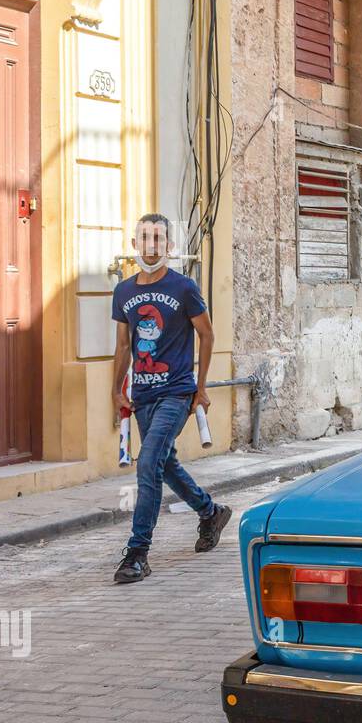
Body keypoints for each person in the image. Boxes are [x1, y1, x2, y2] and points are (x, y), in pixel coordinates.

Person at [110, 214, 231, 584]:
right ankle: (210, 512)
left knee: (148, 463)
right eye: (145, 238)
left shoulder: (184, 287)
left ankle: (137, 552)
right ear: (135, 245)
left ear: (169, 246)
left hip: (177, 392)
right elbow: (122, 345)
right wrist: (117, 390)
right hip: (143, 395)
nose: (151, 246)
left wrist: (202, 387)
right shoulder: (124, 291)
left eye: (158, 239)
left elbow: (207, 336)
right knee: (163, 464)